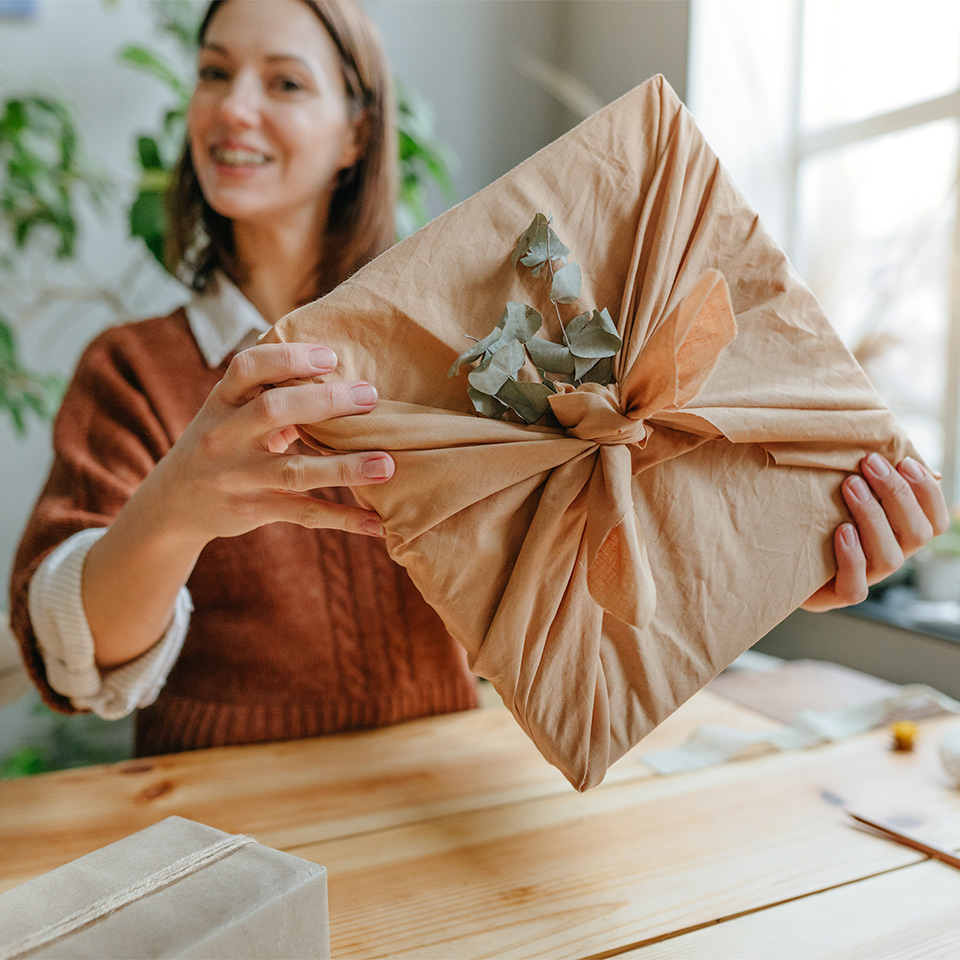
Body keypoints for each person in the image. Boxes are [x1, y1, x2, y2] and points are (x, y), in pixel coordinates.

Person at [8, 0, 949, 759]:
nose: (231, 106)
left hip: (453, 794)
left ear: (355, 131)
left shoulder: (478, 347)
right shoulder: (134, 368)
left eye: (282, 81)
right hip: (221, 836)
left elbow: (568, 591)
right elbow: (70, 659)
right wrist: (174, 508)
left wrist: (769, 558)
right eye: (213, 71)